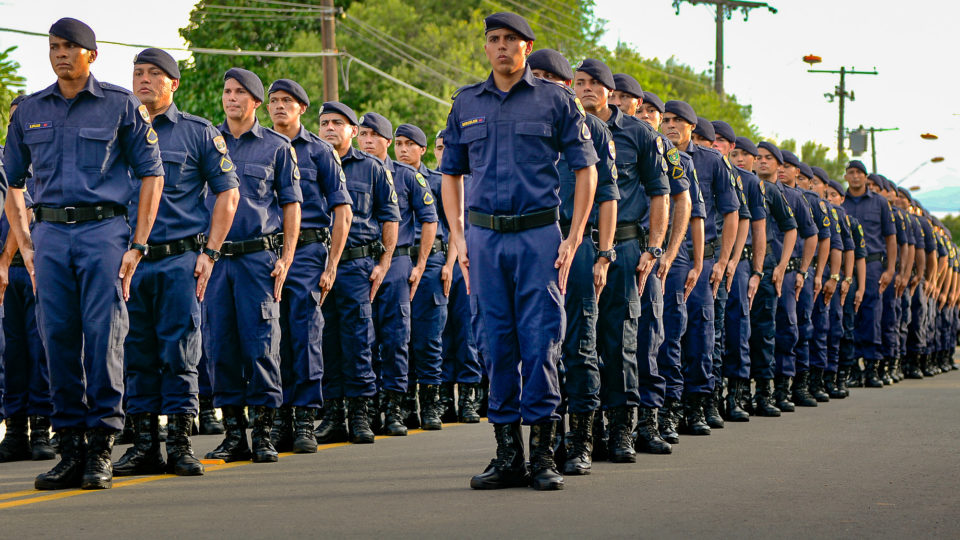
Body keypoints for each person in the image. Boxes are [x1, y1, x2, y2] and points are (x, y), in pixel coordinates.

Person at [4, 18, 165, 490]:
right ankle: (69, 447)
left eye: (70, 47)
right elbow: (13, 181)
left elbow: (152, 174)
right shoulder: (29, 110)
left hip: (104, 235)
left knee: (103, 340)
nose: (60, 54)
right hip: (50, 237)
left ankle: (100, 450)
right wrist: (27, 244)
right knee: (56, 341)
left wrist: (138, 243)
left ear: (91, 54)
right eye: (54, 47)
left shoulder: (120, 106)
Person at [441, 12, 598, 491]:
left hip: (538, 238)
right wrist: (459, 236)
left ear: (527, 48)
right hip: (485, 239)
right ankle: (508, 453)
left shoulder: (556, 101)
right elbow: (451, 173)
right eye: (494, 39)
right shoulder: (466, 103)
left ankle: (544, 455)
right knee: (494, 342)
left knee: (541, 341)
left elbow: (585, 169)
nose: (502, 47)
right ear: (486, 48)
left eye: (511, 39)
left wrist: (572, 238)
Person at [113, 48, 240, 477]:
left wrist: (210, 253)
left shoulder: (197, 133)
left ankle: (181, 444)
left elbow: (228, 192)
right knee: (135, 353)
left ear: (174, 83)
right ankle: (145, 445)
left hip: (178, 259)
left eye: (154, 74)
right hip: (128, 261)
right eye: (138, 73)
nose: (143, 80)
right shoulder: (117, 128)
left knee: (180, 352)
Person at [202, 68, 302, 464]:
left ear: (256, 102)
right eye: (227, 91)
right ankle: (233, 435)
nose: (231, 99)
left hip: (258, 260)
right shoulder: (207, 142)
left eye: (240, 93)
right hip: (216, 260)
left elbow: (292, 205)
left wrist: (288, 257)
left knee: (261, 345)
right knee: (219, 346)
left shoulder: (277, 147)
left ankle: (262, 434)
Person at [532, 52, 620, 471]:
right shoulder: (516, 124)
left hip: (577, 241)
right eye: (537, 76)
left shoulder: (594, 131)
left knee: (580, 344)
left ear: (565, 85)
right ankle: (540, 445)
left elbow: (607, 198)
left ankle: (582, 439)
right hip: (530, 241)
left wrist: (602, 254)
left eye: (552, 77)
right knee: (535, 347)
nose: (543, 82)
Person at [266, 78, 351, 453]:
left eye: (288, 101)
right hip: (266, 254)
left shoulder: (319, 151)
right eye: (274, 100)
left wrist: (331, 265)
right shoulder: (260, 146)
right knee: (270, 338)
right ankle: (279, 416)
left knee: (304, 334)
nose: (279, 106)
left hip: (308, 253)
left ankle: (304, 418)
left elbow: (342, 210)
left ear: (302, 108)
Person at [315, 101, 399, 445]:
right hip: (316, 263)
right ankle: (333, 414)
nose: (329, 128)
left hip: (356, 265)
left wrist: (384, 263)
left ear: (353, 130)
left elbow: (390, 216)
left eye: (338, 122)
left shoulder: (373, 168)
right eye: (324, 123)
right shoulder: (307, 160)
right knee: (325, 340)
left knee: (358, 339)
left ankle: (361, 415)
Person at [357, 112, 438, 435]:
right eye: (362, 134)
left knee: (395, 339)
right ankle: (370, 406)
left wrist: (420, 265)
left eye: (374, 135)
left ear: (386, 142)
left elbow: (429, 219)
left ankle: (395, 409)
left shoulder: (405, 176)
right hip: (360, 263)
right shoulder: (348, 170)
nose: (367, 140)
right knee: (364, 339)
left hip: (398, 264)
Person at [662, 100, 739, 435]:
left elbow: (732, 211)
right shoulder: (656, 152)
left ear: (692, 127)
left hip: (702, 258)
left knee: (700, 333)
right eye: (665, 120)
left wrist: (722, 261)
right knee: (667, 334)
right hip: (664, 256)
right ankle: (669, 405)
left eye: (678, 120)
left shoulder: (711, 161)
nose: (670, 126)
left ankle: (699, 403)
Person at [640, 91, 704, 446]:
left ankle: (666, 414)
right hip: (625, 250)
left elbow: (691, 212)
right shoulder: (613, 142)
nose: (662, 122)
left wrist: (689, 260)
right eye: (663, 119)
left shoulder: (677, 158)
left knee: (666, 337)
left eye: (658, 113)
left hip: (668, 257)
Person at [0, 94, 54, 463]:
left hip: (39, 270)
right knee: (11, 355)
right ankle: (16, 430)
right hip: (7, 275)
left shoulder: (47, 160)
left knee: (42, 353)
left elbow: (27, 214)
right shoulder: (4, 161)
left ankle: (41, 430)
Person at [432, 130, 486, 428]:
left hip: (467, 263)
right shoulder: (432, 180)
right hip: (441, 264)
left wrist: (452, 262)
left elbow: (460, 228)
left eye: (448, 148)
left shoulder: (473, 182)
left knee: (466, 332)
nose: (443, 153)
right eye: (439, 148)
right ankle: (444, 397)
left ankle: (468, 396)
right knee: (443, 334)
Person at [720, 131, 770, 421]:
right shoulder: (716, 171)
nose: (737, 159)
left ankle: (737, 395)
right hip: (710, 257)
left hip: (740, 263)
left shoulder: (750, 183)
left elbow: (758, 230)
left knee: (738, 328)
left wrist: (756, 271)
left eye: (740, 154)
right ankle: (711, 394)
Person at [748, 142, 798, 416]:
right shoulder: (744, 183)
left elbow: (792, 229)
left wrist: (782, 266)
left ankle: (766, 392)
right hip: (743, 265)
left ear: (780, 166)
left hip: (768, 269)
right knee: (740, 333)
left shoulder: (777, 194)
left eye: (769, 158)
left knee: (767, 332)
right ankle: (740, 392)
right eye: (759, 158)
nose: (762, 162)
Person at [768, 150, 817, 412]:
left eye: (788, 166)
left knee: (789, 328)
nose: (783, 170)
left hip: (787, 273)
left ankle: (787, 387)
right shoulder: (750, 187)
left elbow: (811, 235)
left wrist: (803, 271)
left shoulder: (796, 198)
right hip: (757, 268)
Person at [842, 160, 897, 388]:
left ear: (866, 177)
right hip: (846, 265)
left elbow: (890, 238)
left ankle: (872, 367)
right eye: (851, 173)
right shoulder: (840, 201)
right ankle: (853, 367)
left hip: (874, 265)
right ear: (846, 176)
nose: (855, 177)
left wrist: (891, 269)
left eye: (859, 173)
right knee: (849, 314)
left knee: (872, 314)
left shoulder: (880, 203)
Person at [791, 161, 837, 407]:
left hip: (807, 270)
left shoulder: (815, 203)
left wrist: (822, 275)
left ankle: (809, 381)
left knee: (809, 328)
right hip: (783, 268)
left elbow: (828, 241)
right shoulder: (777, 193)